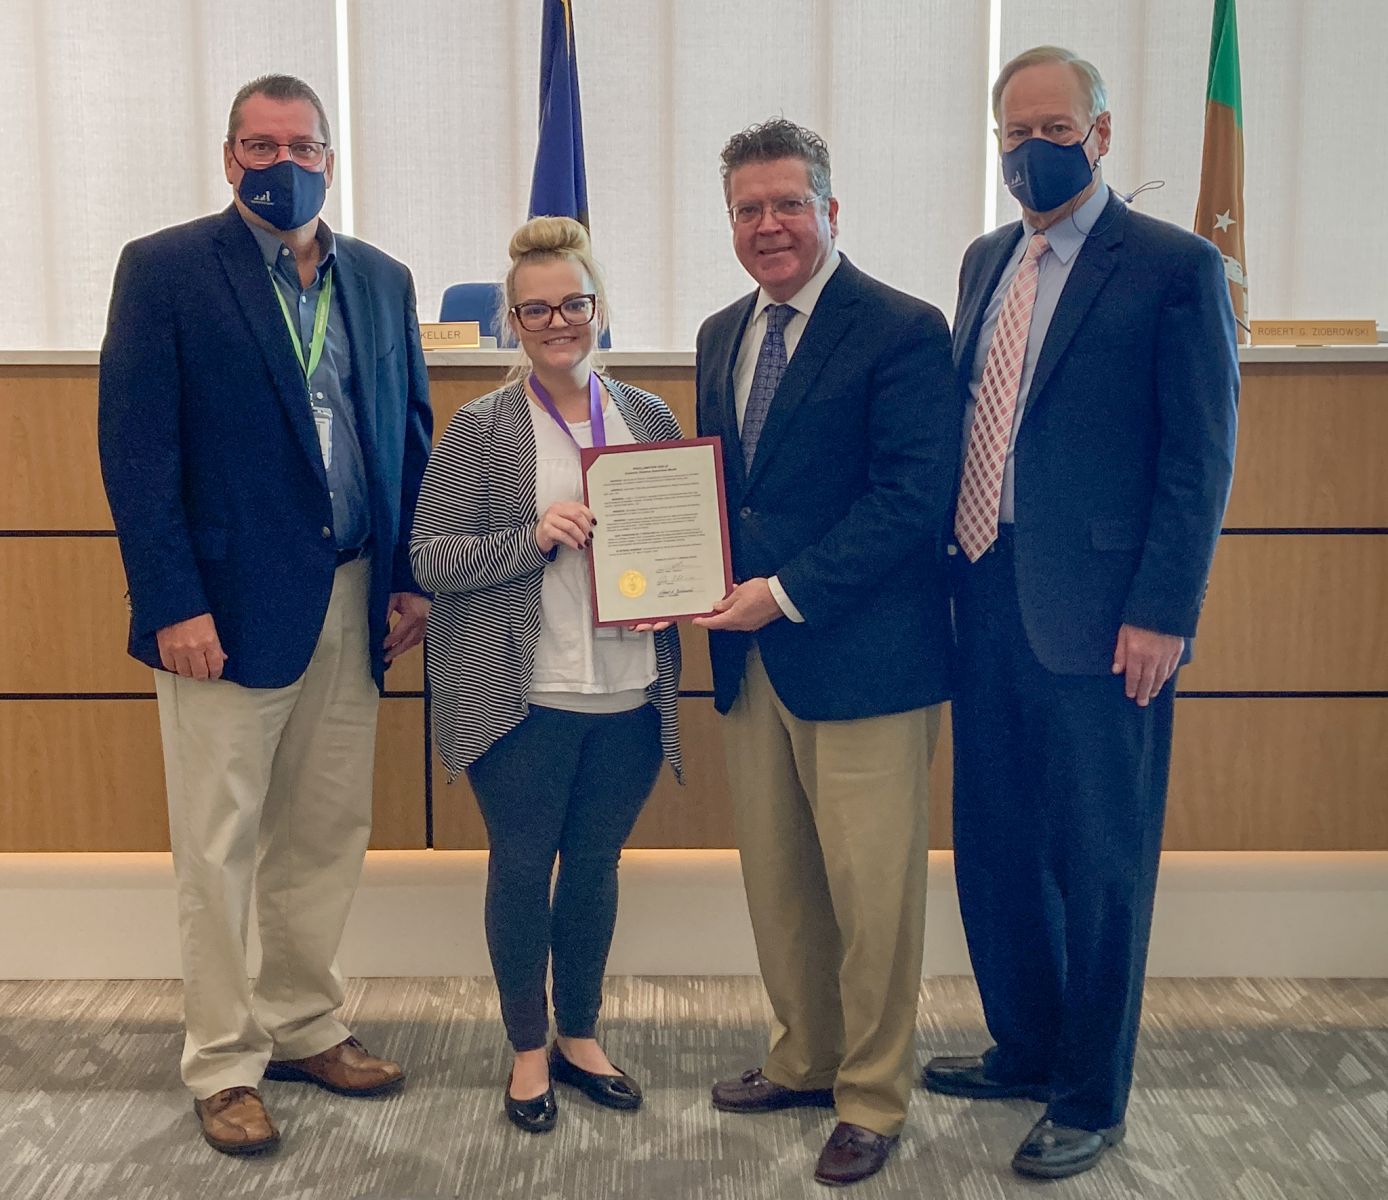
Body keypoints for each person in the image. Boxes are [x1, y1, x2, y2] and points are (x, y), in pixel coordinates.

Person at [98, 74, 432, 1156]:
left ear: (330, 159)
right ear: (227, 155)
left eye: (299, 143)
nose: (278, 160)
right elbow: (138, 454)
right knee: (219, 840)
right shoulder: (165, 271)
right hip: (224, 612)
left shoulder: (379, 280)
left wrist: (407, 576)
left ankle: (304, 1022)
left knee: (326, 830)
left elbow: (407, 436)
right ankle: (223, 1062)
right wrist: (171, 603)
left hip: (352, 593)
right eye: (258, 143)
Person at [922, 46, 1238, 1180]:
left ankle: (1090, 1092)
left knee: (1098, 862)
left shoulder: (1170, 267)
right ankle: (1023, 1045)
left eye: (1050, 127)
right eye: (1011, 131)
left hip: (1105, 620)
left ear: (1098, 135)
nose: (1027, 149)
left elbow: (1196, 461)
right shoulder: (981, 261)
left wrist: (1162, 610)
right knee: (996, 849)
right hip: (981, 593)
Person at [694, 119, 958, 1187]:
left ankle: (872, 1094)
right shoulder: (721, 333)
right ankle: (803, 1056)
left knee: (871, 895)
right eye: (748, 210)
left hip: (864, 660)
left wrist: (784, 594)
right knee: (781, 882)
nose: (768, 226)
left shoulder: (899, 327)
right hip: (752, 663)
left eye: (786, 204)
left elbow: (909, 500)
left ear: (829, 211)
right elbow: (725, 490)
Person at [410, 217, 683, 1135]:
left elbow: (681, 548)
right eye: (536, 311)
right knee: (524, 868)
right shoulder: (480, 428)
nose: (557, 321)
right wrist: (529, 540)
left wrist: (673, 592)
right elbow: (433, 560)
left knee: (597, 868)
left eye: (573, 303)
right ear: (513, 326)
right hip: (520, 696)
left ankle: (581, 1035)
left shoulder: (649, 417)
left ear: (599, 307)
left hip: (630, 692)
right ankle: (528, 1048)